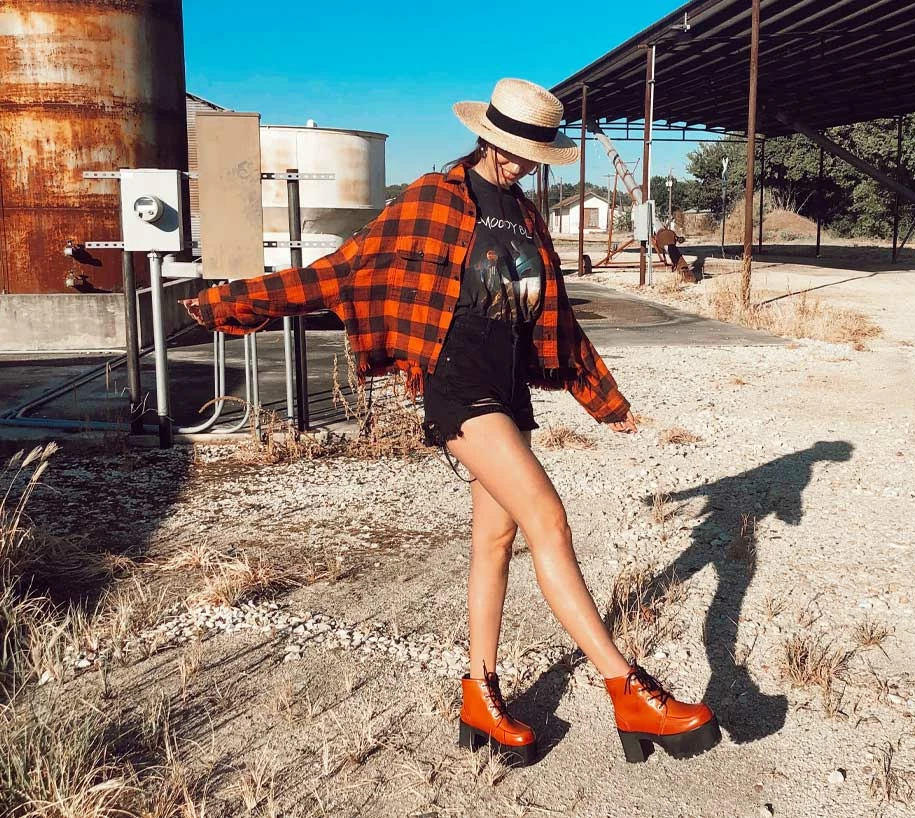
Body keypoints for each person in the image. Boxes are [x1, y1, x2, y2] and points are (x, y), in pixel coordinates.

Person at [182, 78, 720, 767]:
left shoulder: (526, 217)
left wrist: (603, 399)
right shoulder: (432, 199)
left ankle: (480, 696)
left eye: (536, 154)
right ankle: (627, 687)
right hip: (455, 381)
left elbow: (557, 317)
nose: (524, 163)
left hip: (507, 385)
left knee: (495, 540)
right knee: (549, 519)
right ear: (488, 137)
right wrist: (233, 301)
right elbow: (342, 270)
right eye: (517, 149)